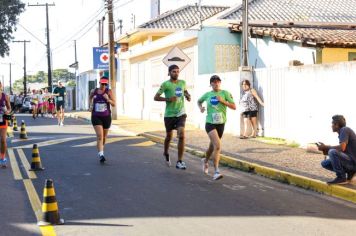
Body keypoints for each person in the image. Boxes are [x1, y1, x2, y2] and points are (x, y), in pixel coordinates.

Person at [198, 75, 236, 180]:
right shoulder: (207, 94)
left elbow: (234, 107)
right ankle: (216, 171)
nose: (216, 83)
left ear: (220, 83)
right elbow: (199, 101)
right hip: (210, 123)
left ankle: (205, 161)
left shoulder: (225, 93)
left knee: (212, 147)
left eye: (218, 82)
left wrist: (223, 101)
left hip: (221, 124)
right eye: (213, 82)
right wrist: (201, 108)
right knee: (218, 146)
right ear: (210, 84)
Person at [154, 64, 191, 169]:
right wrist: (168, 99)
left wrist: (188, 96)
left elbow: (186, 92)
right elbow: (156, 97)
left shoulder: (182, 83)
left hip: (180, 113)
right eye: (174, 71)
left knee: (182, 135)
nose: (176, 73)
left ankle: (179, 161)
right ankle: (165, 152)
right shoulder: (165, 84)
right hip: (169, 114)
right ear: (169, 73)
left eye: (177, 71)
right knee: (169, 137)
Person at [318, 115, 356, 184]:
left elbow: (341, 148)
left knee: (332, 152)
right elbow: (342, 151)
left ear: (337, 125)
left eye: (332, 124)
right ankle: (350, 172)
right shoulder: (342, 133)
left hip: (353, 162)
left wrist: (326, 147)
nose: (331, 126)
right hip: (349, 161)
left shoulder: (344, 130)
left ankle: (341, 177)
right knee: (324, 163)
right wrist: (324, 150)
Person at [89, 76, 115, 163]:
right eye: (102, 83)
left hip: (106, 116)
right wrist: (90, 105)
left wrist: (108, 99)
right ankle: (101, 154)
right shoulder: (94, 91)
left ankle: (101, 149)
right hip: (96, 116)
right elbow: (90, 98)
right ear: (99, 83)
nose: (103, 85)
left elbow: (114, 104)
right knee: (100, 136)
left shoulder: (109, 91)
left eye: (105, 84)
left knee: (104, 137)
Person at [0, 82, 11, 167]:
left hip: (3, 119)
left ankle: (2, 158)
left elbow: (9, 108)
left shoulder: (5, 96)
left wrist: (7, 111)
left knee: (3, 140)